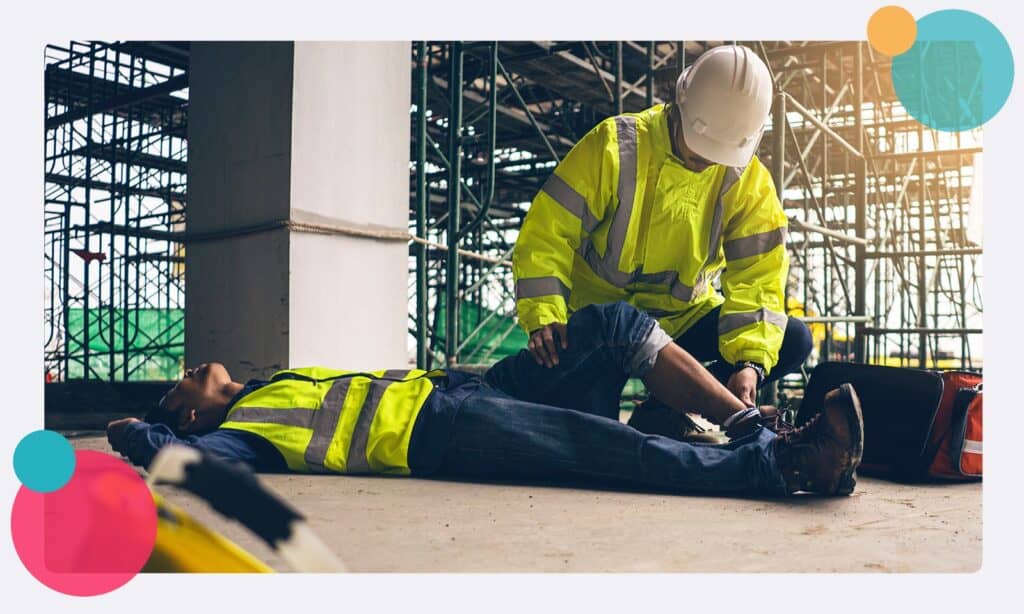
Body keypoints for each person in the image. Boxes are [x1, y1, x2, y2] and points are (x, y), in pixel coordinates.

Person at [107, 302, 863, 497]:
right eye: (179, 385)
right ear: (193, 410)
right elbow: (186, 460)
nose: (191, 367)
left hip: (456, 391)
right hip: (441, 434)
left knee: (609, 329)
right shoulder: (240, 432)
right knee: (607, 452)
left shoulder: (271, 384)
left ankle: (748, 425)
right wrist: (138, 433)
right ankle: (783, 466)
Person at [511, 44, 813, 437]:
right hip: (604, 327)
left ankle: (662, 409)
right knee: (594, 433)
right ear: (679, 105)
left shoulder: (748, 183)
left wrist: (749, 363)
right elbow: (547, 233)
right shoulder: (615, 146)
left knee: (793, 339)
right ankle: (631, 402)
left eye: (718, 155)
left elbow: (759, 278)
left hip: (681, 321)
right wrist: (545, 317)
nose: (705, 161)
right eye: (699, 148)